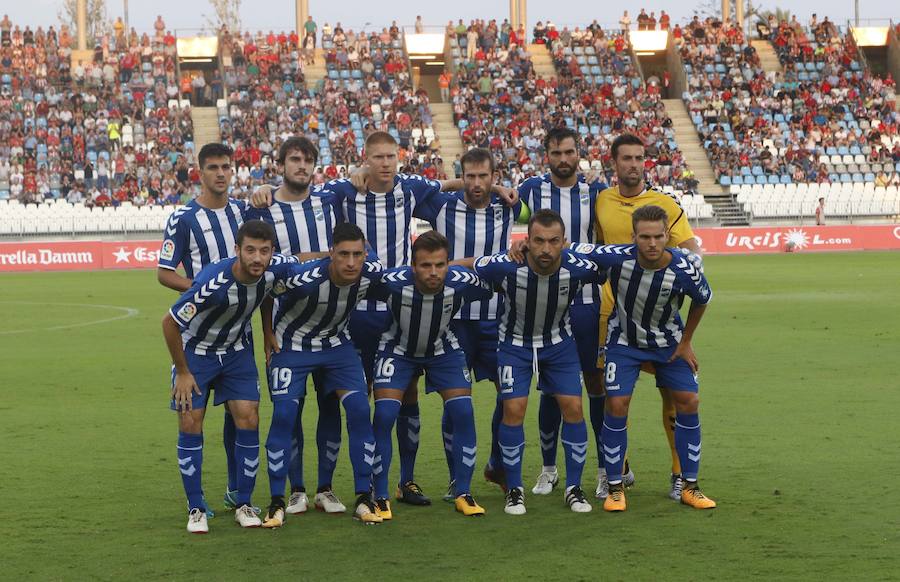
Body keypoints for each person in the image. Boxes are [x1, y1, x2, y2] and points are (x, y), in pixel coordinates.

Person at [572, 205, 716, 511]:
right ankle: (615, 488)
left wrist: (687, 341)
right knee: (616, 403)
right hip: (624, 342)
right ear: (634, 237)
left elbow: (703, 299)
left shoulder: (685, 267)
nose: (652, 243)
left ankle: (690, 486)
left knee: (689, 401)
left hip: (669, 345)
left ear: (667, 236)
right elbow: (569, 247)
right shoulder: (616, 257)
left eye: (658, 236)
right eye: (645, 237)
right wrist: (524, 244)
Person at [463, 209, 602, 515]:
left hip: (559, 344)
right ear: (526, 241)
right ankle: (514, 489)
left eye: (553, 241)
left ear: (564, 242)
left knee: (574, 408)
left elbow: (615, 267)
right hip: (514, 345)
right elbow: (468, 266)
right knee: (513, 408)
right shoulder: (506, 265)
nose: (545, 249)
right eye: (538, 241)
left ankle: (573, 488)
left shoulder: (579, 268)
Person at [163, 219, 297, 533]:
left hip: (237, 352)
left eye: (264, 251)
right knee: (190, 421)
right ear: (237, 250)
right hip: (196, 352)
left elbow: (271, 289)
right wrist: (182, 371)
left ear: (272, 252)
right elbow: (169, 322)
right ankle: (195, 507)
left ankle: (244, 503)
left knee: (249, 418)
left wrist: (266, 331)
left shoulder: (271, 270)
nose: (257, 258)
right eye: (249, 250)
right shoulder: (212, 282)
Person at [415, 148, 530, 498]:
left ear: (494, 176)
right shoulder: (443, 206)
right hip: (453, 321)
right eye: (470, 176)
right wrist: (465, 183)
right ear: (462, 176)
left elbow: (530, 212)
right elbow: (422, 191)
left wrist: (501, 191)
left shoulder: (506, 207)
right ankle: (456, 477)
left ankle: (497, 464)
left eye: (485, 177)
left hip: (498, 317)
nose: (477, 184)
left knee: (508, 395)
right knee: (455, 400)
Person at [594, 133, 702, 501]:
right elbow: (598, 249)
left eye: (640, 158)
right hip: (612, 315)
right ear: (614, 162)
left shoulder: (664, 204)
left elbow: (690, 248)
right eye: (626, 158)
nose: (634, 164)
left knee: (674, 396)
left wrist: (691, 273)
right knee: (610, 395)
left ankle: (678, 472)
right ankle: (616, 470)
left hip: (659, 320)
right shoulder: (602, 201)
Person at [244, 137, 345, 516]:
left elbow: (364, 178)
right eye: (295, 160)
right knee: (291, 410)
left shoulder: (329, 202)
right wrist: (267, 329)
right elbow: (266, 275)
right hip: (287, 328)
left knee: (330, 406)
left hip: (333, 325)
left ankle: (326, 488)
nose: (301, 166)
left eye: (307, 161)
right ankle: (297, 489)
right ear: (281, 164)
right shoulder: (265, 211)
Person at [260, 223, 384, 526]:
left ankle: (355, 495)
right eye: (343, 254)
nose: (351, 262)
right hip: (292, 346)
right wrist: (266, 332)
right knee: (286, 414)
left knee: (357, 409)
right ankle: (283, 497)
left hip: (337, 346)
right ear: (332, 253)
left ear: (365, 253)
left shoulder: (372, 273)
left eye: (357, 254)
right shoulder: (303, 280)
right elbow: (265, 290)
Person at [370, 231, 494, 518]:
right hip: (397, 349)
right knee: (385, 415)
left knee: (463, 411)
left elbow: (492, 277)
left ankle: (463, 492)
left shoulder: (462, 283)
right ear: (413, 266)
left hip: (442, 350)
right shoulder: (392, 282)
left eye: (440, 264)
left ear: (448, 264)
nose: (433, 272)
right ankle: (385, 492)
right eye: (425, 265)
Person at [157, 143, 251, 515]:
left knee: (242, 414)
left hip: (238, 337)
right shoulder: (183, 218)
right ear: (200, 172)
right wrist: (200, 290)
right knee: (192, 418)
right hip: (196, 337)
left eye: (226, 166)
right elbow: (164, 273)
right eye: (213, 167)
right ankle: (196, 503)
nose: (221, 173)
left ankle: (236, 490)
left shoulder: (243, 212)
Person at [514, 126, 608, 498]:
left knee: (596, 385)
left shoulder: (596, 190)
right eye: (557, 153)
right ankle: (549, 469)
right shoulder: (531, 190)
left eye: (570, 152)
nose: (564, 160)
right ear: (546, 155)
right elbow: (497, 202)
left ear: (578, 152)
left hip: (587, 304)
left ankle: (606, 470)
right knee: (551, 391)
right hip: (547, 306)